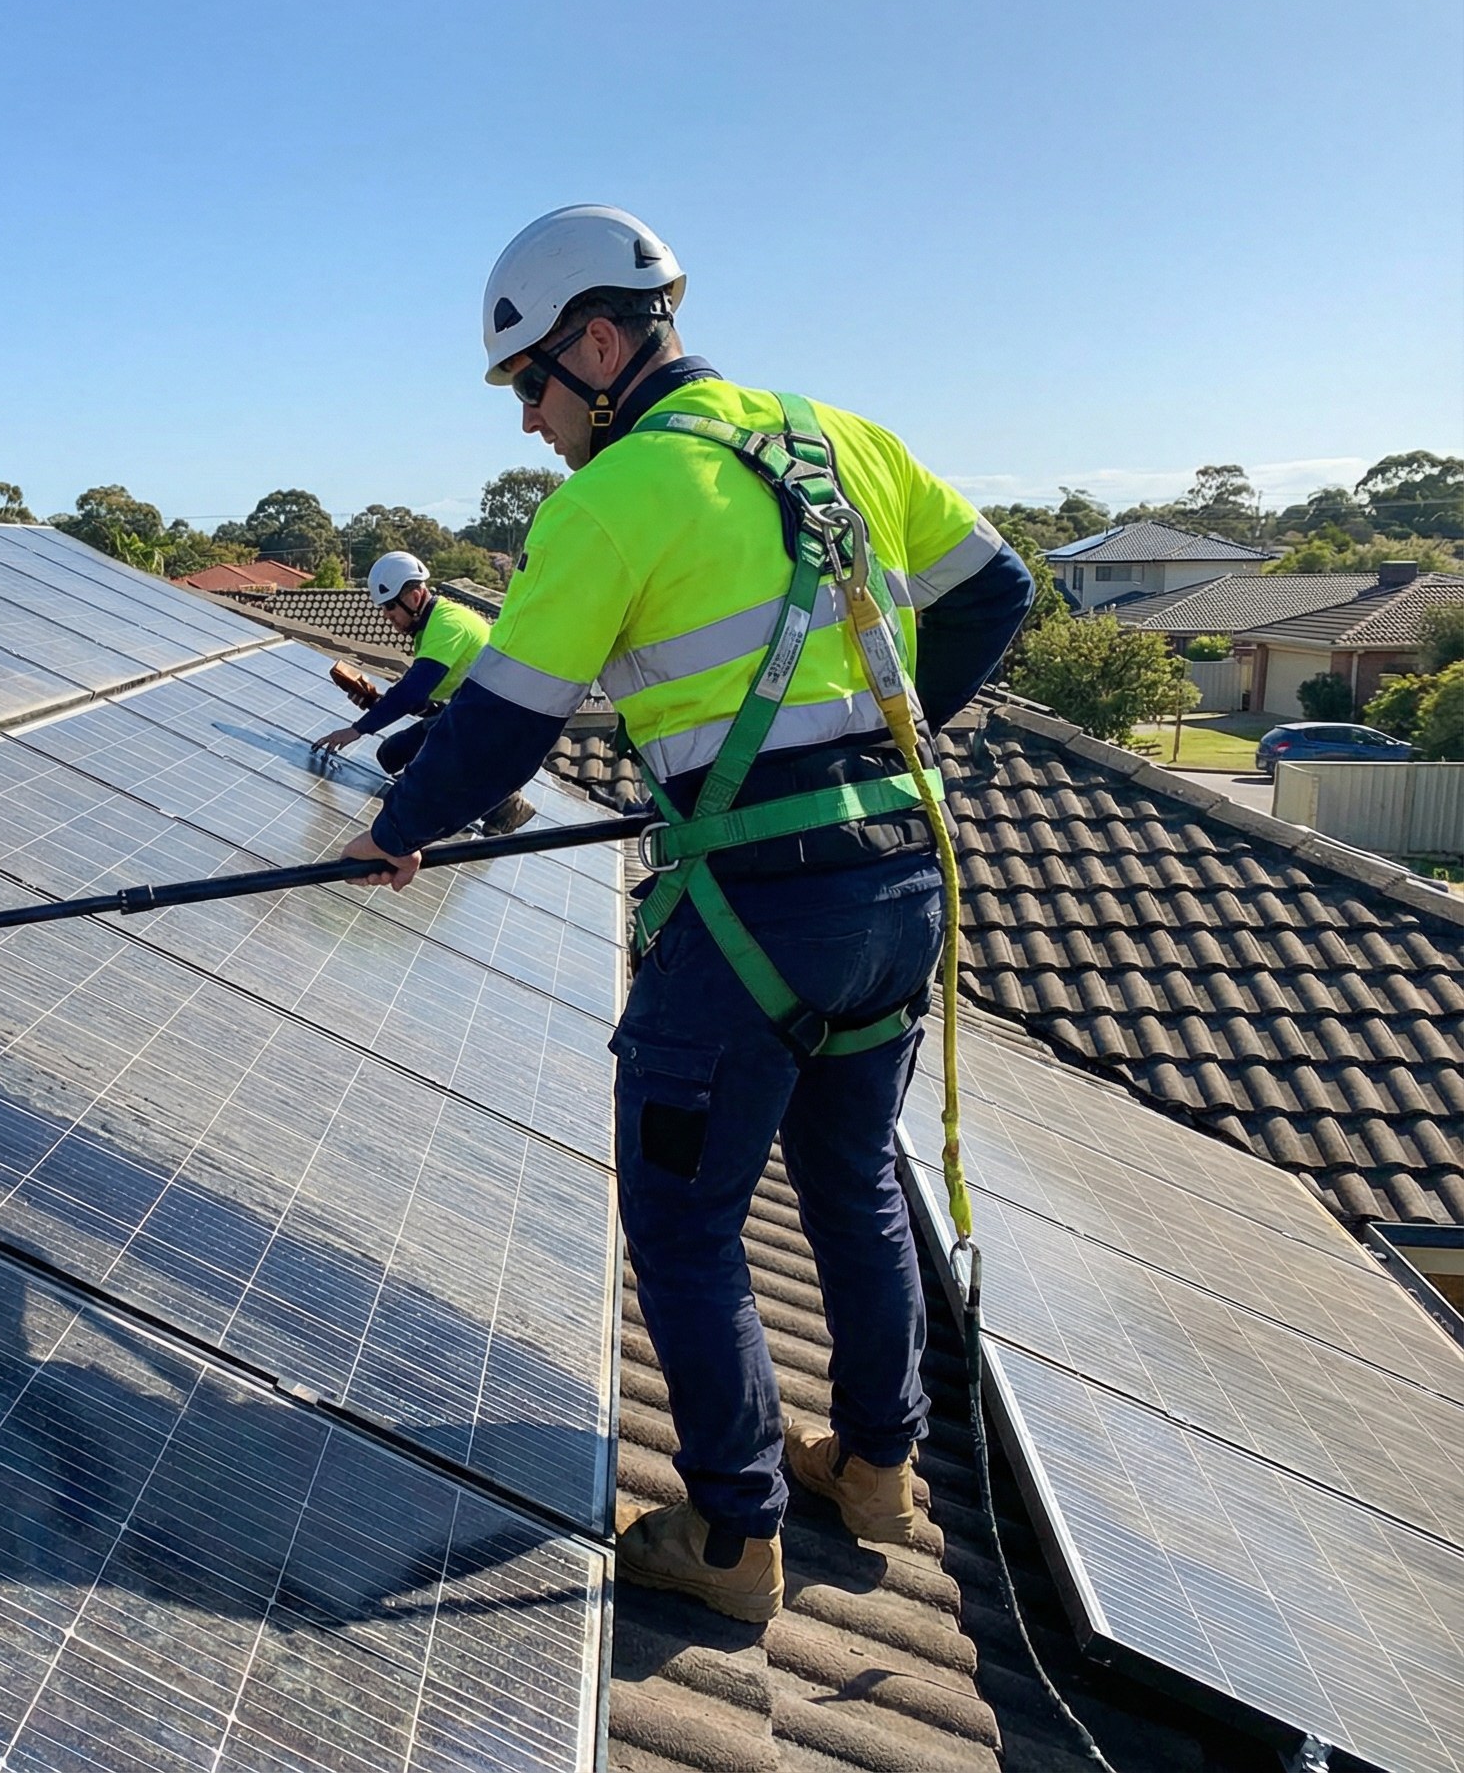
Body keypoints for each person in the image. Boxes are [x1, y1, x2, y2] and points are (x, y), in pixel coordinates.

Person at [341, 205, 1033, 1621]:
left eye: (531, 384)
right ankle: (880, 1472)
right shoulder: (846, 437)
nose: (530, 424)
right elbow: (1000, 592)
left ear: (600, 343)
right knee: (850, 1187)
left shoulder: (612, 500)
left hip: (759, 920)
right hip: (902, 886)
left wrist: (394, 831)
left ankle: (734, 1539)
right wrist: (881, 748)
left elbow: (499, 731)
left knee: (687, 1222)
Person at [312, 551, 537, 835]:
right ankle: (484, 797)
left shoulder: (447, 625)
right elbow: (423, 701)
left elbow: (413, 689)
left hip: (497, 724)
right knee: (392, 755)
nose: (387, 617)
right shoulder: (429, 628)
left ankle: (508, 807)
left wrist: (357, 729)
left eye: (390, 607)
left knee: (426, 771)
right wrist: (375, 703)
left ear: (415, 597)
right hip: (472, 715)